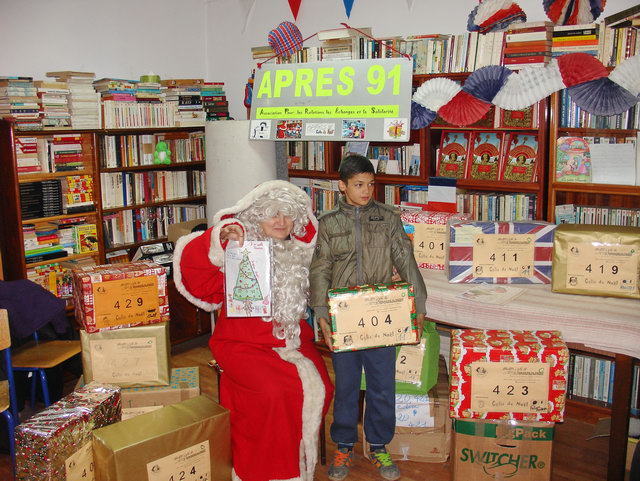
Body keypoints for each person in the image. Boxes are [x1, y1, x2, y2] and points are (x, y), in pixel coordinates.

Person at [174, 180, 334, 481]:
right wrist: (220, 240)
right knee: (272, 393)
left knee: (321, 386)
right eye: (272, 214)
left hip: (293, 342)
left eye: (287, 215)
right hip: (240, 344)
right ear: (256, 216)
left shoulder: (301, 254)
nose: (281, 222)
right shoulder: (237, 248)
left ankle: (294, 462)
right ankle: (262, 470)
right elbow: (195, 277)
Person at [309, 154, 427, 481]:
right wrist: (322, 317)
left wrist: (419, 306)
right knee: (346, 385)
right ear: (342, 186)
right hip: (344, 317)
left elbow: (405, 259)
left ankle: (378, 444)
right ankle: (344, 444)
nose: (366, 191)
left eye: (370, 184)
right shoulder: (329, 222)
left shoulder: (388, 218)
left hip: (382, 314)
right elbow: (320, 269)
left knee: (381, 384)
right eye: (358, 185)